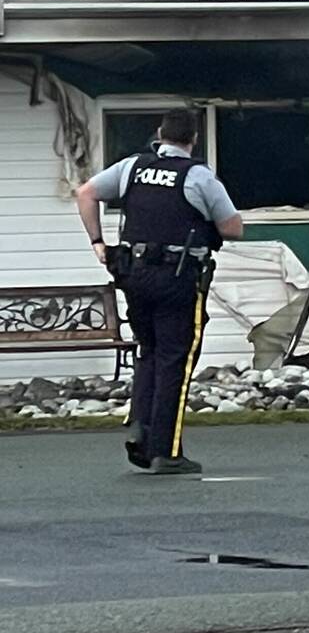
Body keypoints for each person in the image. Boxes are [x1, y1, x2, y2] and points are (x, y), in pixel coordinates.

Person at [75, 107, 244, 475]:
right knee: (175, 360)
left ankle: (141, 428)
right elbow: (232, 228)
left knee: (148, 351)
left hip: (134, 275)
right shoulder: (198, 176)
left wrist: (98, 244)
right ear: (193, 139)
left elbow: (85, 193)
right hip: (177, 279)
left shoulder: (132, 167)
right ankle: (166, 451)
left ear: (159, 133)